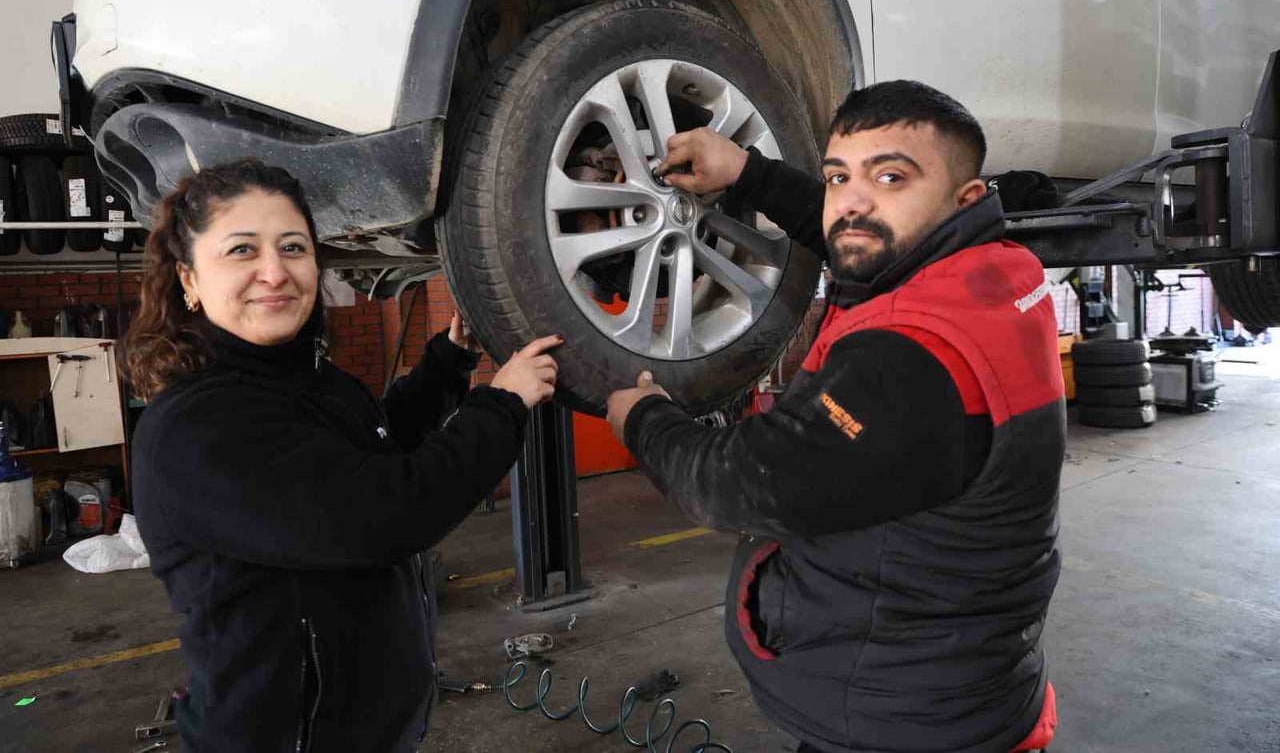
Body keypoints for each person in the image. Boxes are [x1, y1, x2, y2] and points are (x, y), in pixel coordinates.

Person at [607, 81, 1064, 753]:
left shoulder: (909, 366)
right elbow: (857, 235)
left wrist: (644, 418)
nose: (851, 199)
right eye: (837, 176)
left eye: (891, 175)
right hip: (957, 688)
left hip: (902, 726)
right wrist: (746, 171)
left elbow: (734, 483)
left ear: (964, 198)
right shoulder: (985, 272)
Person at [126, 159, 561, 753]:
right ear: (189, 279)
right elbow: (387, 512)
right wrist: (503, 405)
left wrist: (450, 359)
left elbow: (376, 442)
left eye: (293, 247)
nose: (274, 272)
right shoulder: (197, 425)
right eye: (242, 251)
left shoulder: (304, 381)